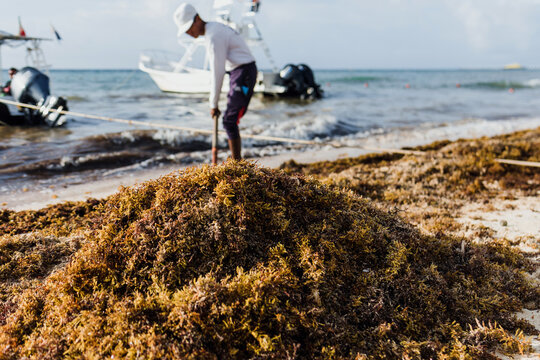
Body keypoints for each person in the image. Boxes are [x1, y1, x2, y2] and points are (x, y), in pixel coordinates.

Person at [174, 3, 257, 160]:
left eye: (190, 28)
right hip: (238, 72)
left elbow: (217, 71)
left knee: (230, 120)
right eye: (186, 31)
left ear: (197, 19)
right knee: (230, 121)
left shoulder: (213, 35)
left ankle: (237, 164)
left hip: (243, 73)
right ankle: (237, 162)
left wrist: (213, 104)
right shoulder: (214, 29)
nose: (190, 33)